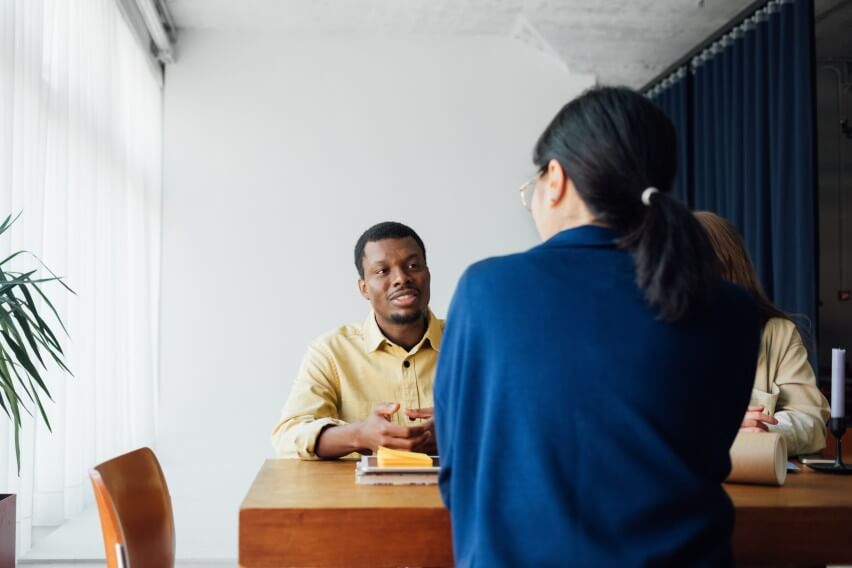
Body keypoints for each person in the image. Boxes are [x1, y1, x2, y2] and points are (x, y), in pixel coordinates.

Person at [434, 87, 761, 566]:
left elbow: (457, 467)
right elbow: (707, 449)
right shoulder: (729, 306)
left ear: (556, 179)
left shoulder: (487, 290)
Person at [272, 221, 442, 459]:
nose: (401, 278)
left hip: (456, 493)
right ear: (364, 288)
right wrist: (359, 435)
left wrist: (462, 429)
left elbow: (511, 416)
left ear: (428, 275)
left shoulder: (473, 344)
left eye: (413, 266)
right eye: (382, 271)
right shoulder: (331, 351)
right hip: (361, 495)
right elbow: (288, 435)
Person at [695, 211, 830, 456]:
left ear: (728, 269)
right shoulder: (652, 332)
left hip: (755, 476)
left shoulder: (778, 334)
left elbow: (810, 420)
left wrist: (764, 432)